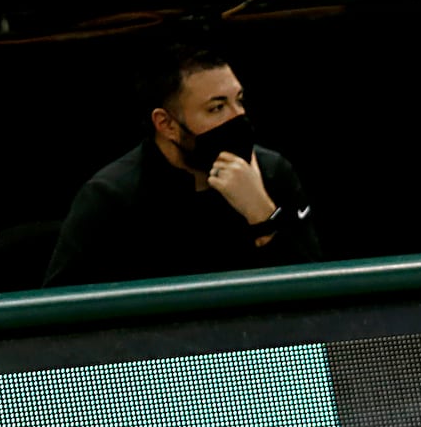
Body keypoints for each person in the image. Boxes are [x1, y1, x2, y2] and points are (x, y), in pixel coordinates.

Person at [43, 43, 320, 287]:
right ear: (167, 125)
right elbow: (63, 316)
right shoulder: (111, 198)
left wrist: (262, 214)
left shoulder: (272, 173)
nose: (239, 117)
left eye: (239, 101)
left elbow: (319, 298)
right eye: (216, 108)